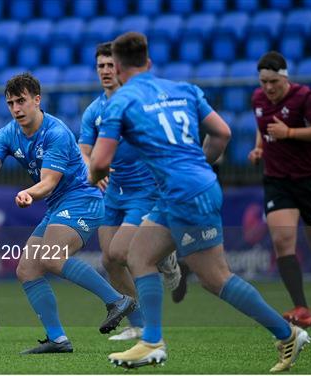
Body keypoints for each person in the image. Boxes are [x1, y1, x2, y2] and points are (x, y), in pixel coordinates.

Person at [90, 32, 310, 372]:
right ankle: (151, 340)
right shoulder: (183, 89)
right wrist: (198, 169)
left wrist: (93, 178)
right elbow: (222, 133)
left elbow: (101, 163)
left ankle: (287, 334)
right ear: (148, 63)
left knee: (215, 278)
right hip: (186, 188)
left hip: (185, 195)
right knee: (139, 255)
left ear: (117, 68)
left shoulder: (121, 101)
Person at [0, 73, 135, 354]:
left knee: (51, 256)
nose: (16, 108)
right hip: (57, 205)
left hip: (82, 199)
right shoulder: (7, 133)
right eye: (11, 103)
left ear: (37, 100)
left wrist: (29, 193)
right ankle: (58, 339)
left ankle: (116, 300)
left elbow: (49, 182)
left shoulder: (56, 132)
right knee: (27, 269)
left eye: (21, 101)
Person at [78, 42, 186, 341]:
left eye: (110, 65)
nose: (105, 71)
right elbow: (83, 150)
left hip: (145, 190)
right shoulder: (94, 110)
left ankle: (164, 258)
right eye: (100, 66)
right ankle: (137, 325)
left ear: (121, 68)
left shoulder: (137, 103)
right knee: (109, 261)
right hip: (113, 193)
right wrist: (93, 170)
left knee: (120, 251)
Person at [248, 51, 311, 328]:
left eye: (273, 81)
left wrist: (290, 133)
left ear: (285, 78)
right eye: (263, 82)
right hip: (277, 180)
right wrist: (260, 146)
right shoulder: (258, 99)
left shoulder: (304, 97)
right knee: (282, 241)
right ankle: (303, 308)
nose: (268, 88)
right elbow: (263, 126)